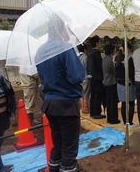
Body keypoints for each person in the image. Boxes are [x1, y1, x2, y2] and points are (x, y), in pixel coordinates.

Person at [35, 20, 85, 172]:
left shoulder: (41, 50)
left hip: (50, 103)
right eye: (67, 28)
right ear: (61, 29)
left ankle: (54, 168)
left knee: (57, 144)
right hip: (67, 104)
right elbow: (76, 76)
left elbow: (42, 77)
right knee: (69, 148)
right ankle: (68, 168)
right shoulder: (66, 48)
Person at [114, 42, 138, 127]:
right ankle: (130, 122)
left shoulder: (116, 58)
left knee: (123, 104)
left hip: (119, 84)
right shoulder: (129, 59)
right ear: (128, 49)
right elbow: (131, 73)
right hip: (128, 84)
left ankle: (125, 123)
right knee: (131, 103)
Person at [87, 35, 106, 119]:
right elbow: (100, 66)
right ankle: (97, 113)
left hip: (91, 77)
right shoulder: (96, 53)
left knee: (93, 95)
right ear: (97, 43)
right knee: (97, 96)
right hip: (97, 77)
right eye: (99, 42)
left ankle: (92, 112)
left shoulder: (89, 53)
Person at [102, 44, 120, 124]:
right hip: (112, 82)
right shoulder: (110, 60)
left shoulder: (104, 59)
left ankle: (109, 118)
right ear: (111, 51)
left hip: (106, 82)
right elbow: (114, 71)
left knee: (108, 101)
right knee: (113, 102)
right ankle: (113, 118)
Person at [77, 43, 91, 114]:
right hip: (85, 77)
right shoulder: (85, 57)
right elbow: (87, 67)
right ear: (85, 49)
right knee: (86, 93)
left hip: (79, 78)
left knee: (81, 93)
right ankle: (86, 108)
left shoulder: (77, 57)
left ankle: (82, 107)